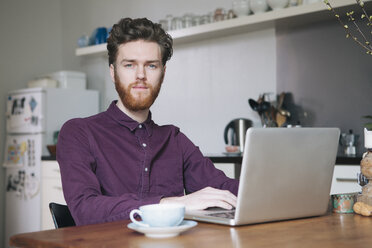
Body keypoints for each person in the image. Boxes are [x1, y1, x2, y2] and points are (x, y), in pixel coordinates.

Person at [57, 17, 239, 226]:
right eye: (129, 65)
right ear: (113, 73)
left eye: (151, 66)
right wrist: (172, 204)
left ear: (162, 73)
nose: (141, 75)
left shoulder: (175, 140)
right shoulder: (79, 132)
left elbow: (224, 188)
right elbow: (85, 209)